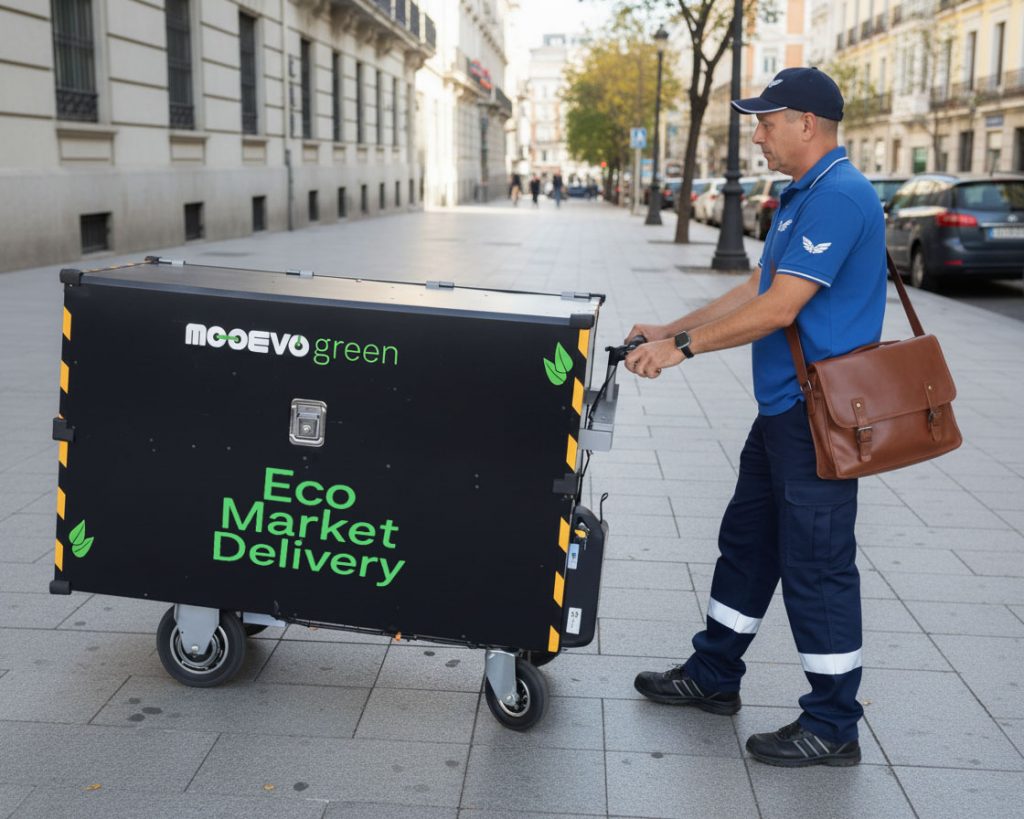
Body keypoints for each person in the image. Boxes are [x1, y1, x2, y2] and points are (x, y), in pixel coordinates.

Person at [625, 67, 887, 768]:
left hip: (819, 419)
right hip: (783, 412)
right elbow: (755, 286)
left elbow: (778, 309)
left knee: (817, 565)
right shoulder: (802, 193)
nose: (759, 133)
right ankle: (714, 674)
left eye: (768, 121)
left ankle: (834, 722)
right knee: (748, 542)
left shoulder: (840, 195)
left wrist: (679, 349)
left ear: (808, 123)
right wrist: (667, 325)